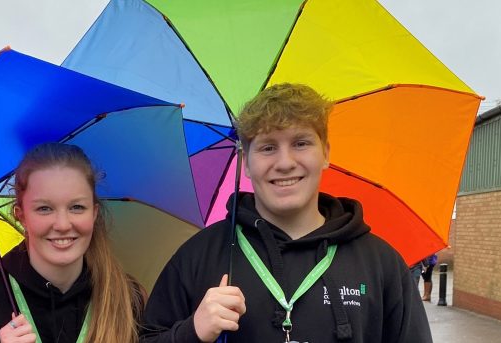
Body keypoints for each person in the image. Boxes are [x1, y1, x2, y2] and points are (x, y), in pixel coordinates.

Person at [140, 83, 432, 342]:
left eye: (301, 143)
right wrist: (191, 332)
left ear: (326, 153)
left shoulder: (381, 264)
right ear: (246, 162)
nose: (285, 162)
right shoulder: (198, 257)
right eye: (267, 147)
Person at [0, 142, 142, 343]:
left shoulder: (127, 297)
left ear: (94, 213)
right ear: (21, 216)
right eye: (44, 208)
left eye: (77, 207)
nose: (62, 224)